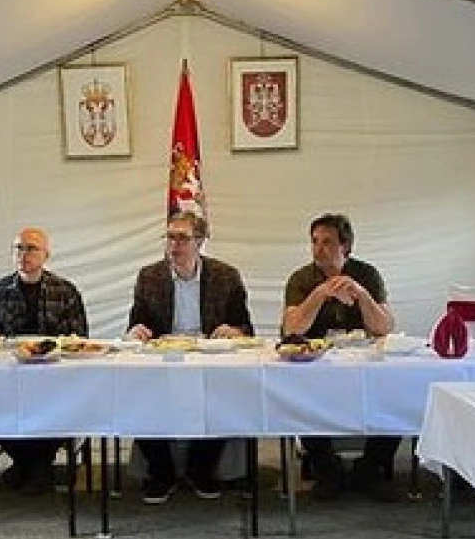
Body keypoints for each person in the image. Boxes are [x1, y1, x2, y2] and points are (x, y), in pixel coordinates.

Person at [127, 212, 254, 504]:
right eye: (170, 237)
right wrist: (137, 331)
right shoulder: (149, 277)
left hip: (210, 357)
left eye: (182, 238)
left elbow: (245, 327)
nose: (174, 245)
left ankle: (201, 468)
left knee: (229, 393)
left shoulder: (226, 276)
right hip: (165, 357)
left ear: (200, 241)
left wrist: (234, 331)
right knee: (136, 392)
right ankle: (161, 471)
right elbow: (137, 324)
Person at [282, 213, 397, 501]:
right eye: (315, 242)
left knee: (394, 392)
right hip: (317, 364)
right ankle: (326, 468)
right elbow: (292, 328)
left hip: (363, 363)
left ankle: (370, 468)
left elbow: (384, 327)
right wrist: (320, 293)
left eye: (327, 242)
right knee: (300, 396)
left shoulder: (367, 274)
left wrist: (361, 294)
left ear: (345, 246)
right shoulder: (301, 278)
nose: (318, 249)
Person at [0, 227, 88, 495]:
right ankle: (31, 464)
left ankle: (34, 465)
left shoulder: (65, 291)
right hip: (9, 376)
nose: (24, 254)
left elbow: (79, 338)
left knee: (63, 405)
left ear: (46, 255)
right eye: (19, 248)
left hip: (54, 377)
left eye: (31, 248)